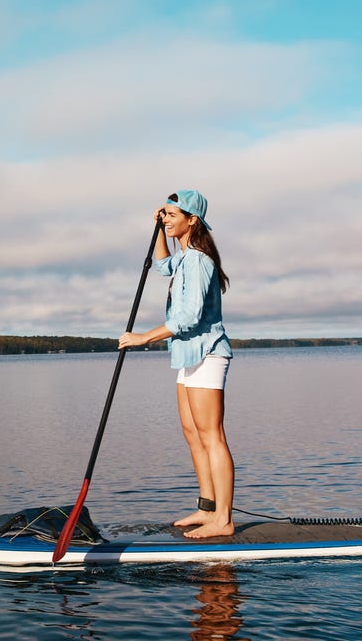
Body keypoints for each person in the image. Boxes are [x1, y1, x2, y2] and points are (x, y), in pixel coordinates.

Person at [118, 190, 235, 538]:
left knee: (212, 436)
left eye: (172, 215)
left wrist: (142, 338)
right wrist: (157, 230)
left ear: (192, 219)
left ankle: (224, 520)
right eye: (164, 214)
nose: (167, 219)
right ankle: (207, 509)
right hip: (186, 355)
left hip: (207, 352)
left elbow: (188, 317)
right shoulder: (183, 258)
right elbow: (160, 266)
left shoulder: (199, 260)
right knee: (191, 433)